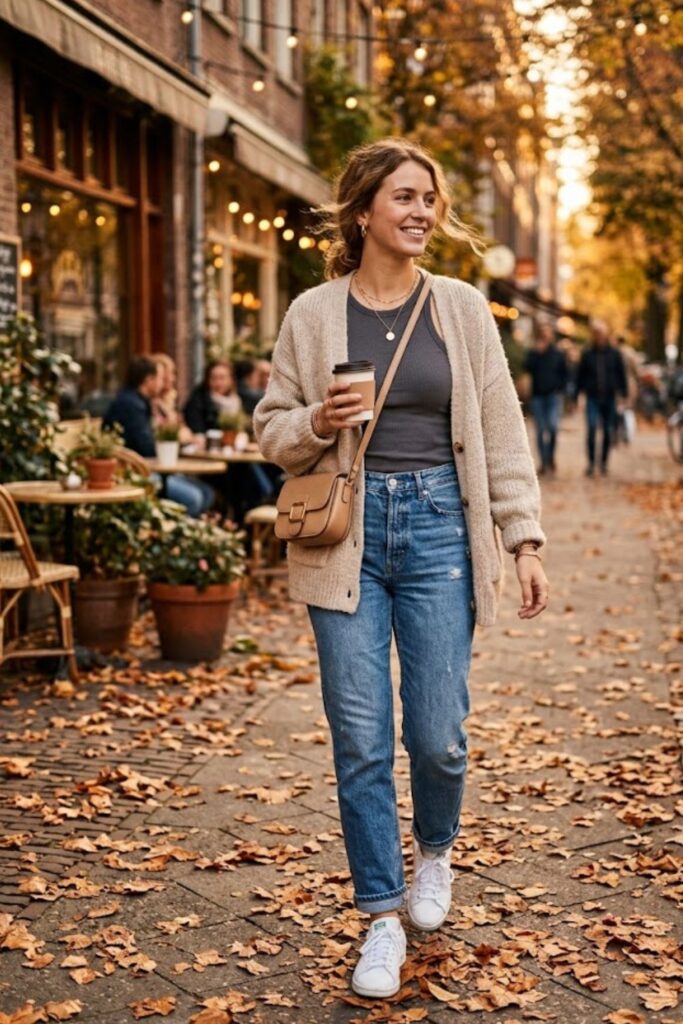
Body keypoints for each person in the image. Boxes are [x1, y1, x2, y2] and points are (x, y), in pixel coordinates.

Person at [253, 138, 548, 999]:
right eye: (405, 198)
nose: (421, 211)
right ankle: (380, 916)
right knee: (358, 737)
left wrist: (522, 537)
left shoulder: (458, 308)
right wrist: (314, 418)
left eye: (429, 198)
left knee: (438, 734)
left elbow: (500, 429)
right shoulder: (313, 314)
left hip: (438, 534)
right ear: (362, 212)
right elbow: (271, 428)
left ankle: (435, 852)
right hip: (342, 534)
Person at [103, 356, 213, 516]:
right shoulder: (131, 405)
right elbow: (146, 448)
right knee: (194, 498)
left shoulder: (138, 402)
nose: (163, 384)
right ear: (149, 380)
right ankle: (169, 537)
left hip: (145, 468)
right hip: (132, 472)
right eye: (161, 378)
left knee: (206, 492)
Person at [575, 321, 628, 475]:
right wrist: (577, 395)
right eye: (596, 333)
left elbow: (621, 374)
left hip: (609, 397)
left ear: (606, 335)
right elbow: (580, 376)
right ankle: (591, 463)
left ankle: (603, 463)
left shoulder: (615, 354)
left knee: (608, 430)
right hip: (592, 397)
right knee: (591, 428)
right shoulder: (587, 354)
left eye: (602, 333)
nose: (599, 336)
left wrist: (623, 393)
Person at [523, 322, 568, 475]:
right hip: (538, 397)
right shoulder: (534, 351)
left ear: (552, 335)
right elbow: (527, 367)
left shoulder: (558, 353)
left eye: (548, 333)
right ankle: (543, 462)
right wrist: (536, 353)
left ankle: (550, 457)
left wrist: (561, 389)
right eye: (543, 333)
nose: (545, 336)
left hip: (553, 396)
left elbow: (565, 373)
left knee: (553, 428)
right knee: (541, 430)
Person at [183, 360, 241, 434]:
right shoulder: (198, 400)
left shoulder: (236, 400)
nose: (218, 383)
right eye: (213, 378)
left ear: (231, 380)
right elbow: (197, 429)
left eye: (222, 378)